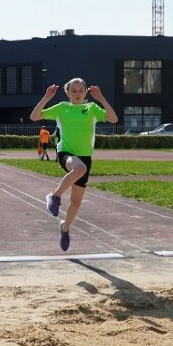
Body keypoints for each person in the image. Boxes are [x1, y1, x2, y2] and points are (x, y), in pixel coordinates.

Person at [30, 78, 118, 251]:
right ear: (67, 93)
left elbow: (113, 119)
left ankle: (65, 229)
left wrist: (101, 98)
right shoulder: (62, 107)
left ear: (86, 92)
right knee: (79, 169)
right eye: (73, 91)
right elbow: (34, 116)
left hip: (85, 156)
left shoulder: (91, 109)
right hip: (66, 153)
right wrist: (47, 97)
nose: (77, 93)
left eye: (80, 90)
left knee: (76, 203)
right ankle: (54, 196)